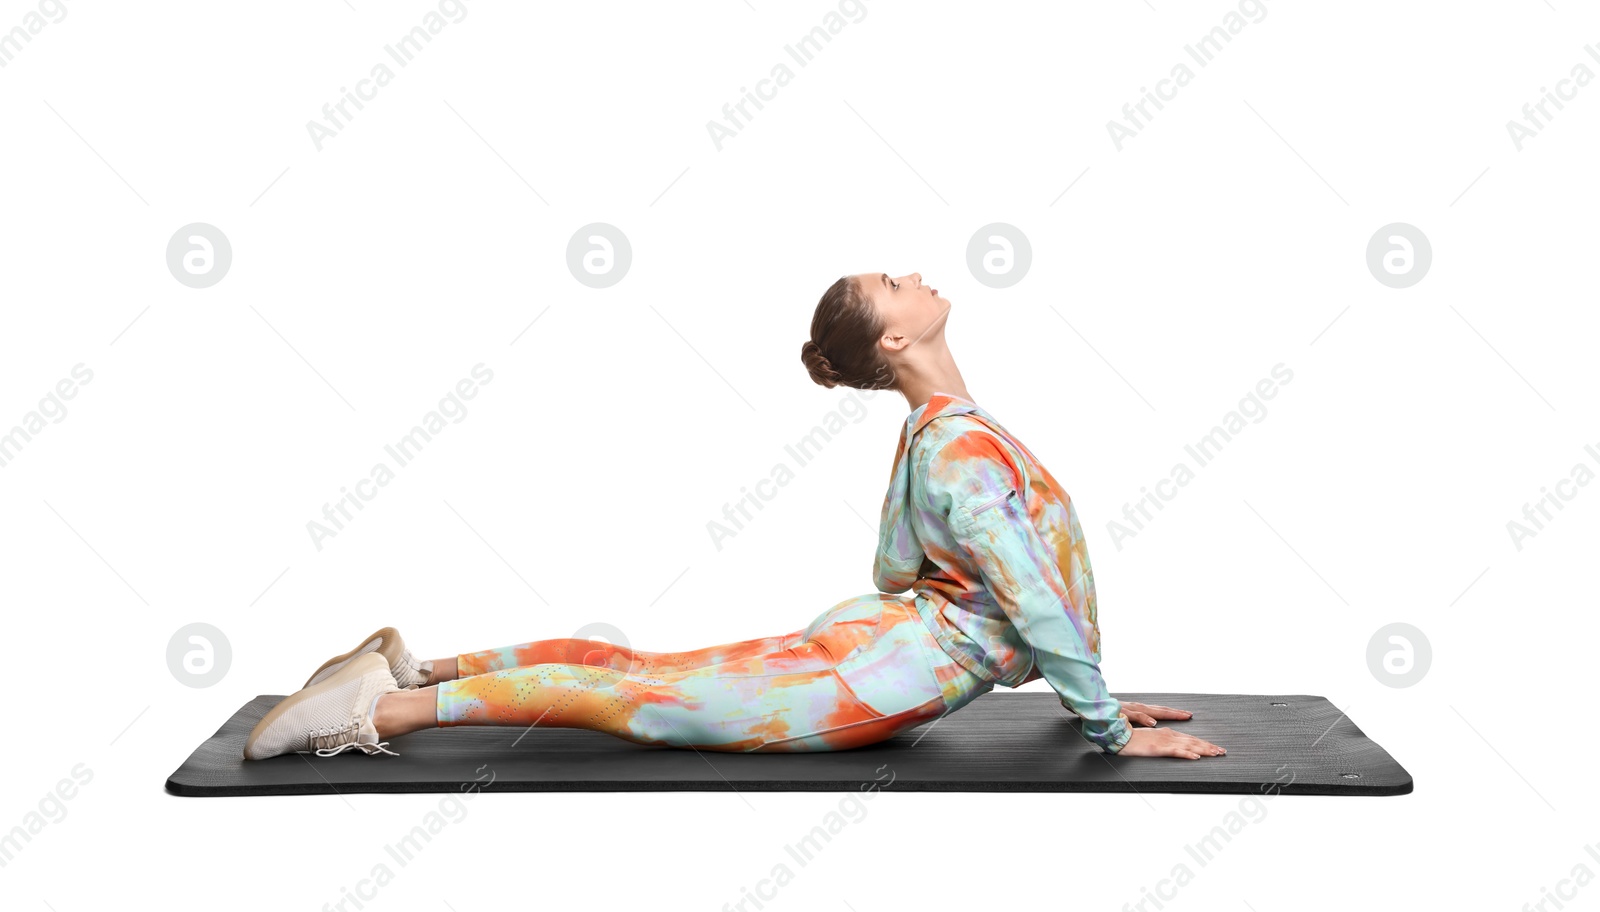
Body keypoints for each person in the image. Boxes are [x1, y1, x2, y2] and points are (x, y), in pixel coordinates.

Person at [243, 272, 1227, 762]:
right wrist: (1102, 723)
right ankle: (381, 707)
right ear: (895, 333)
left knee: (640, 674)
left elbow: (896, 569)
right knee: (644, 697)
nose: (916, 272)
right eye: (896, 279)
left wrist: (1080, 688)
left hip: (875, 640)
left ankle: (416, 668)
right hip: (884, 673)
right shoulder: (965, 443)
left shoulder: (937, 435)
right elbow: (1031, 596)